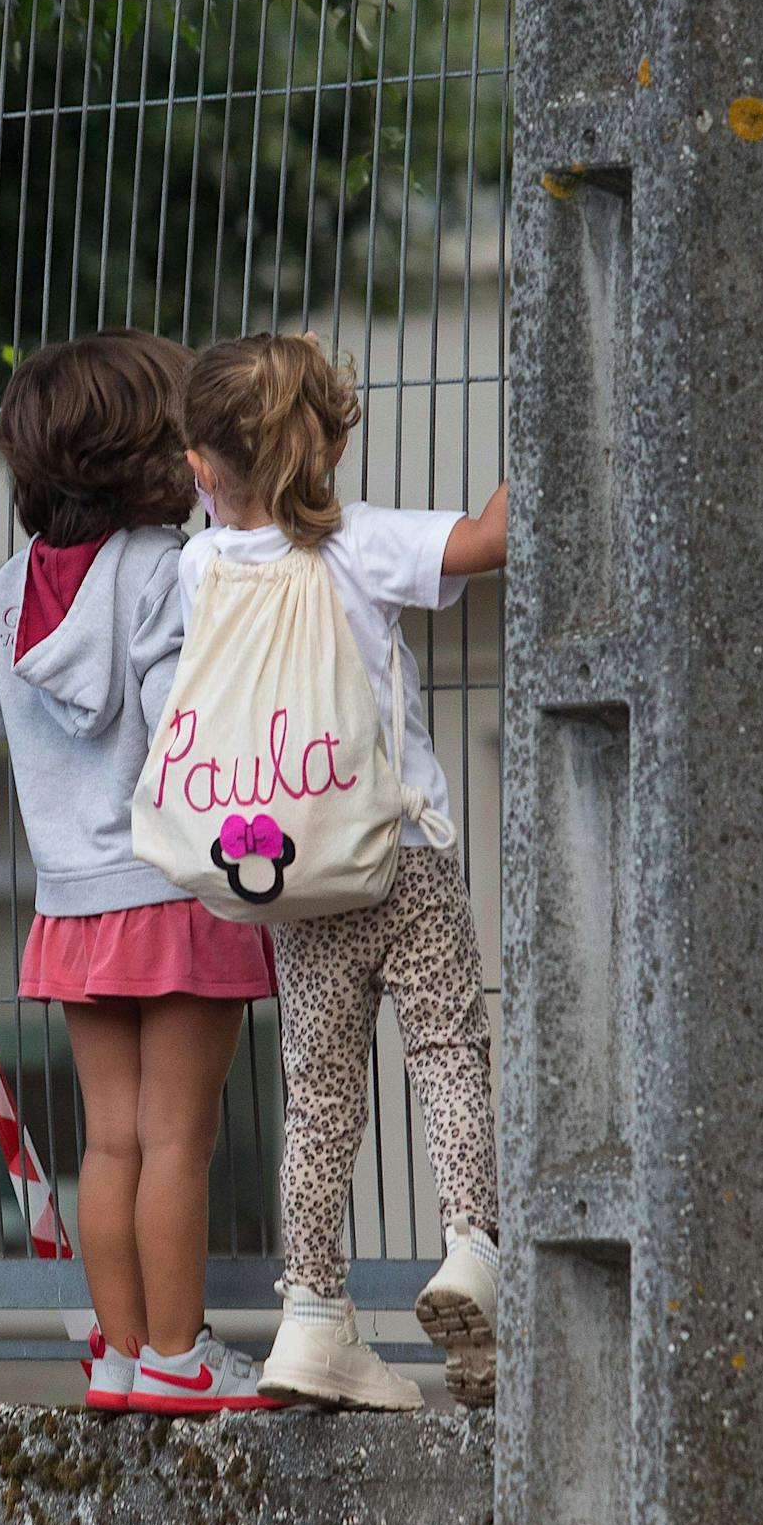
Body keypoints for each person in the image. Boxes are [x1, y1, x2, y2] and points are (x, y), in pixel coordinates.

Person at [177, 332, 506, 1409]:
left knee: (315, 1097)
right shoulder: (361, 543)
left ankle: (311, 1311)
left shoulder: (199, 565)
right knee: (447, 1054)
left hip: (286, 873)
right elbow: (489, 539)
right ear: (324, 447)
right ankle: (470, 1245)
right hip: (395, 850)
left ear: (198, 468)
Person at [0, 330, 279, 1416]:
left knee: (107, 1138)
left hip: (69, 905)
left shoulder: (2, 596)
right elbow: (177, 730)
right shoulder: (166, 573)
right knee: (177, 1142)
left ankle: (117, 1352)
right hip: (177, 894)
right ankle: (179, 1355)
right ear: (147, 446)